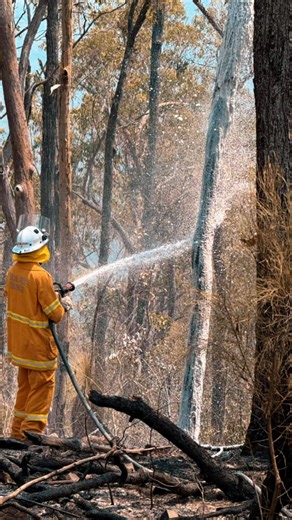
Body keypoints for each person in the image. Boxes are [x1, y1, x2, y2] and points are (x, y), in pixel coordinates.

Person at [5, 218, 73, 440]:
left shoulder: (12, 272)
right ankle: (31, 439)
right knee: (41, 392)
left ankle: (16, 436)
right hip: (38, 349)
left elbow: (24, 301)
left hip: (20, 348)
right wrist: (63, 304)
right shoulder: (41, 276)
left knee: (25, 391)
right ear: (38, 249)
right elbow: (55, 314)